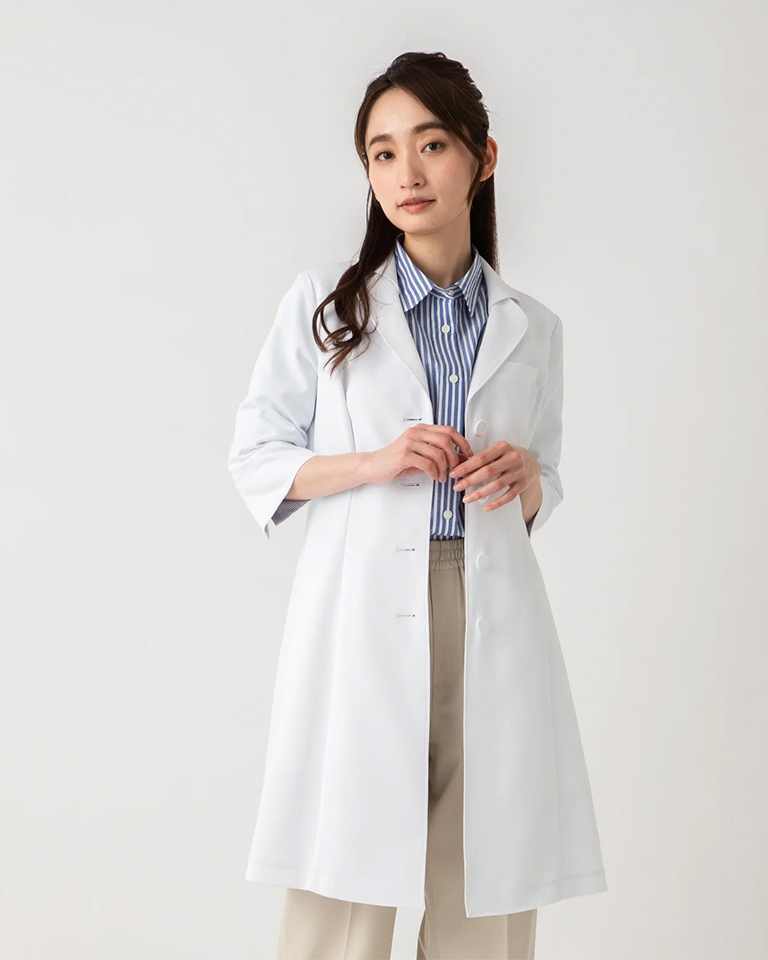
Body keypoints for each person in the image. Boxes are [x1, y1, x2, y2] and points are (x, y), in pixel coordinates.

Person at [228, 51, 607, 960]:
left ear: (483, 158)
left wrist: (527, 478)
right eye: (383, 152)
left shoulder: (534, 327)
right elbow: (258, 457)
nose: (407, 173)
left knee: (481, 870)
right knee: (348, 881)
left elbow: (545, 480)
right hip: (366, 607)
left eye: (431, 145)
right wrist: (376, 461)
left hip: (489, 607)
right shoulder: (326, 305)